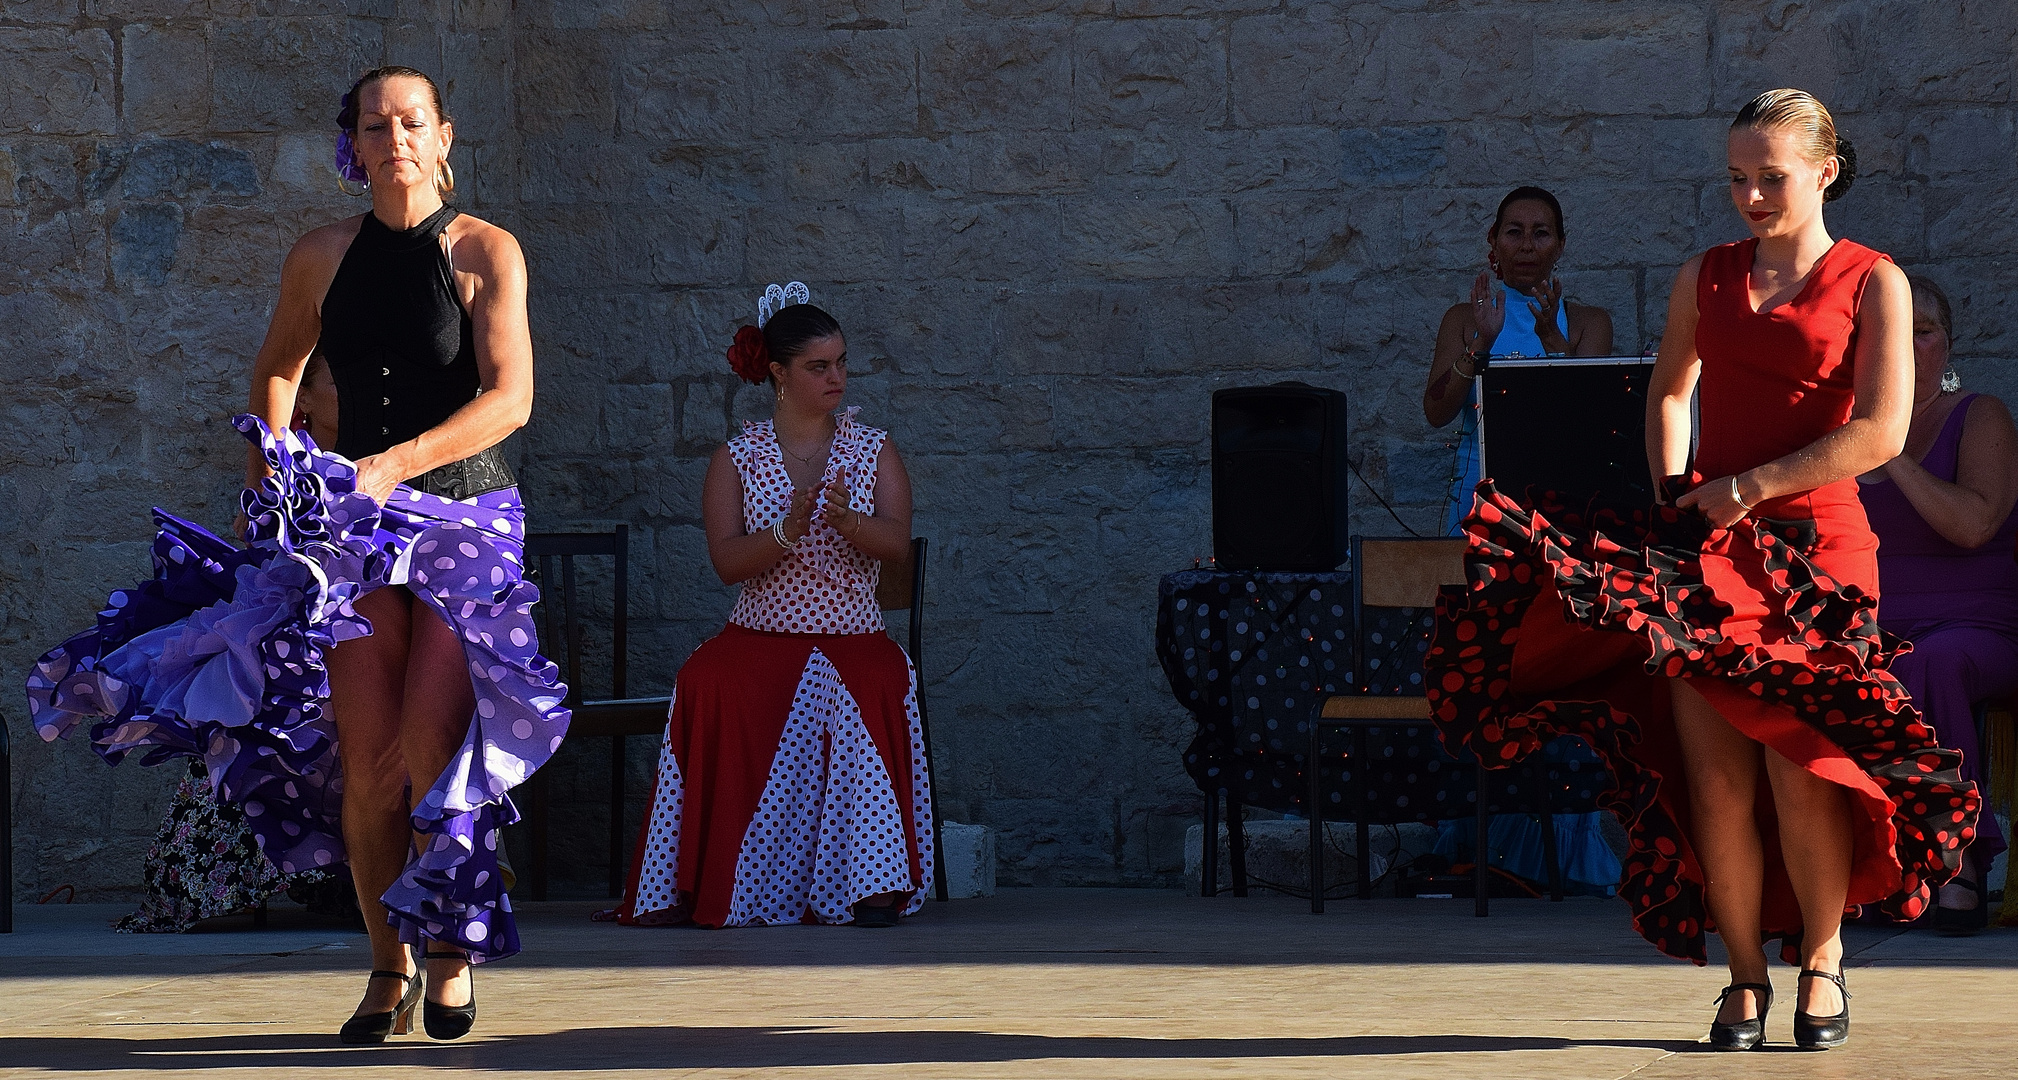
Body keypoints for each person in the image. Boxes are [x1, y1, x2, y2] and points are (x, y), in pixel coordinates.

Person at [1424, 89, 1978, 1053]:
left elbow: (1881, 431)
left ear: (1825, 171)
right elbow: (1670, 390)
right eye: (1737, 178)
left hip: (1820, 553)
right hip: (1712, 555)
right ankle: (1744, 980)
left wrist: (1751, 487)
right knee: (1715, 777)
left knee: (1803, 767)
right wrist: (1681, 497)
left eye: (1772, 177)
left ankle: (1822, 964)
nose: (1752, 196)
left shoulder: (1871, 279)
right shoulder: (1705, 275)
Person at [26, 66, 569, 1044]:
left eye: (411, 121)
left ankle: (449, 953)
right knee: (367, 761)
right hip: (350, 535)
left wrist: (393, 463)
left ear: (442, 136)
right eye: (375, 124)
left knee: (435, 746)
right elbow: (277, 368)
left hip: (461, 523)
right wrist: (268, 485)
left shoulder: (489, 251)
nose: (394, 136)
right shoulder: (320, 255)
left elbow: (512, 398)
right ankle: (386, 965)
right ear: (352, 147)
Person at [612, 283, 934, 929]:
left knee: (872, 679)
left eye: (842, 363)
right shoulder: (736, 457)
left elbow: (896, 544)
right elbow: (728, 564)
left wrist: (850, 523)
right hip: (759, 631)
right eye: (819, 366)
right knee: (707, 679)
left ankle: (867, 884)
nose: (836, 377)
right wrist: (787, 528)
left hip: (852, 633)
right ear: (779, 374)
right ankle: (710, 880)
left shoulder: (873, 448)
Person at [1857, 275, 2018, 934]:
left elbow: (1975, 526)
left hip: (1978, 628)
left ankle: (1955, 864)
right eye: (1886, 329)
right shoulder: (1836, 430)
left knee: (1930, 661)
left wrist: (1887, 450)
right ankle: (1865, 872)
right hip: (1872, 625)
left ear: (1945, 346)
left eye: (1921, 330)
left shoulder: (1978, 415)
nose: (1905, 341)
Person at [1423, 185, 1616, 535]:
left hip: (1559, 497)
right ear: (1494, 242)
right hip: (1477, 496)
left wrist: (1553, 341)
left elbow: (1588, 425)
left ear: (1561, 245)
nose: (1527, 245)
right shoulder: (1464, 319)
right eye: (1514, 232)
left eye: (1541, 233)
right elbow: (1435, 413)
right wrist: (1481, 343)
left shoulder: (1589, 323)